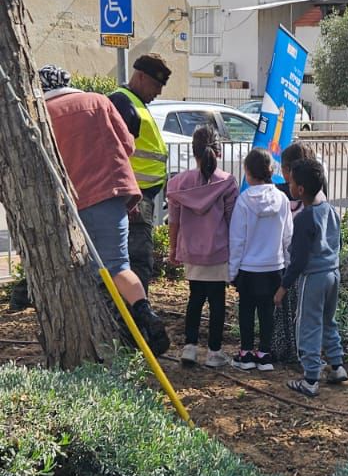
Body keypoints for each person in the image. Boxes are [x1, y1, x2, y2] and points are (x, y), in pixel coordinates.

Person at [39, 65, 169, 355]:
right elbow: (127, 145)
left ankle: (104, 338)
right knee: (119, 265)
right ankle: (145, 312)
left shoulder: (44, 113)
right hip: (114, 194)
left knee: (83, 271)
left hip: (75, 200)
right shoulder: (97, 101)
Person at [274, 157, 347, 398]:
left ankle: (310, 378)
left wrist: (283, 287)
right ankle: (336, 366)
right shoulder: (330, 209)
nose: (289, 186)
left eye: (291, 182)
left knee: (307, 324)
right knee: (328, 320)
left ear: (301, 189)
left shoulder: (305, 218)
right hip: (332, 274)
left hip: (313, 278)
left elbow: (299, 260)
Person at [167, 124, 238, 369]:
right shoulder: (227, 182)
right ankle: (214, 352)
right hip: (219, 251)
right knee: (217, 302)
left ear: (193, 151)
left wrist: (172, 250)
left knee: (195, 298)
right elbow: (232, 221)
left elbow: (174, 222)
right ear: (218, 151)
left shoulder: (178, 184)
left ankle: (189, 347)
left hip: (191, 251)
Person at [109, 54, 171, 294]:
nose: (159, 92)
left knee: (138, 260)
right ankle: (137, 316)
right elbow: (114, 155)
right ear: (141, 76)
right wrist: (128, 195)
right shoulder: (124, 103)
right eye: (156, 85)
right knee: (138, 260)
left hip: (139, 196)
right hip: (134, 198)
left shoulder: (134, 103)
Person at [229, 147, 293, 371]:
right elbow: (288, 237)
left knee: (246, 310)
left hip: (248, 267)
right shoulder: (282, 199)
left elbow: (237, 239)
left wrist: (232, 271)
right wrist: (287, 265)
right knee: (267, 311)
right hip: (274, 266)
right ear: (271, 170)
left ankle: (246, 353)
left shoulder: (244, 200)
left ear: (248, 172)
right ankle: (265, 354)